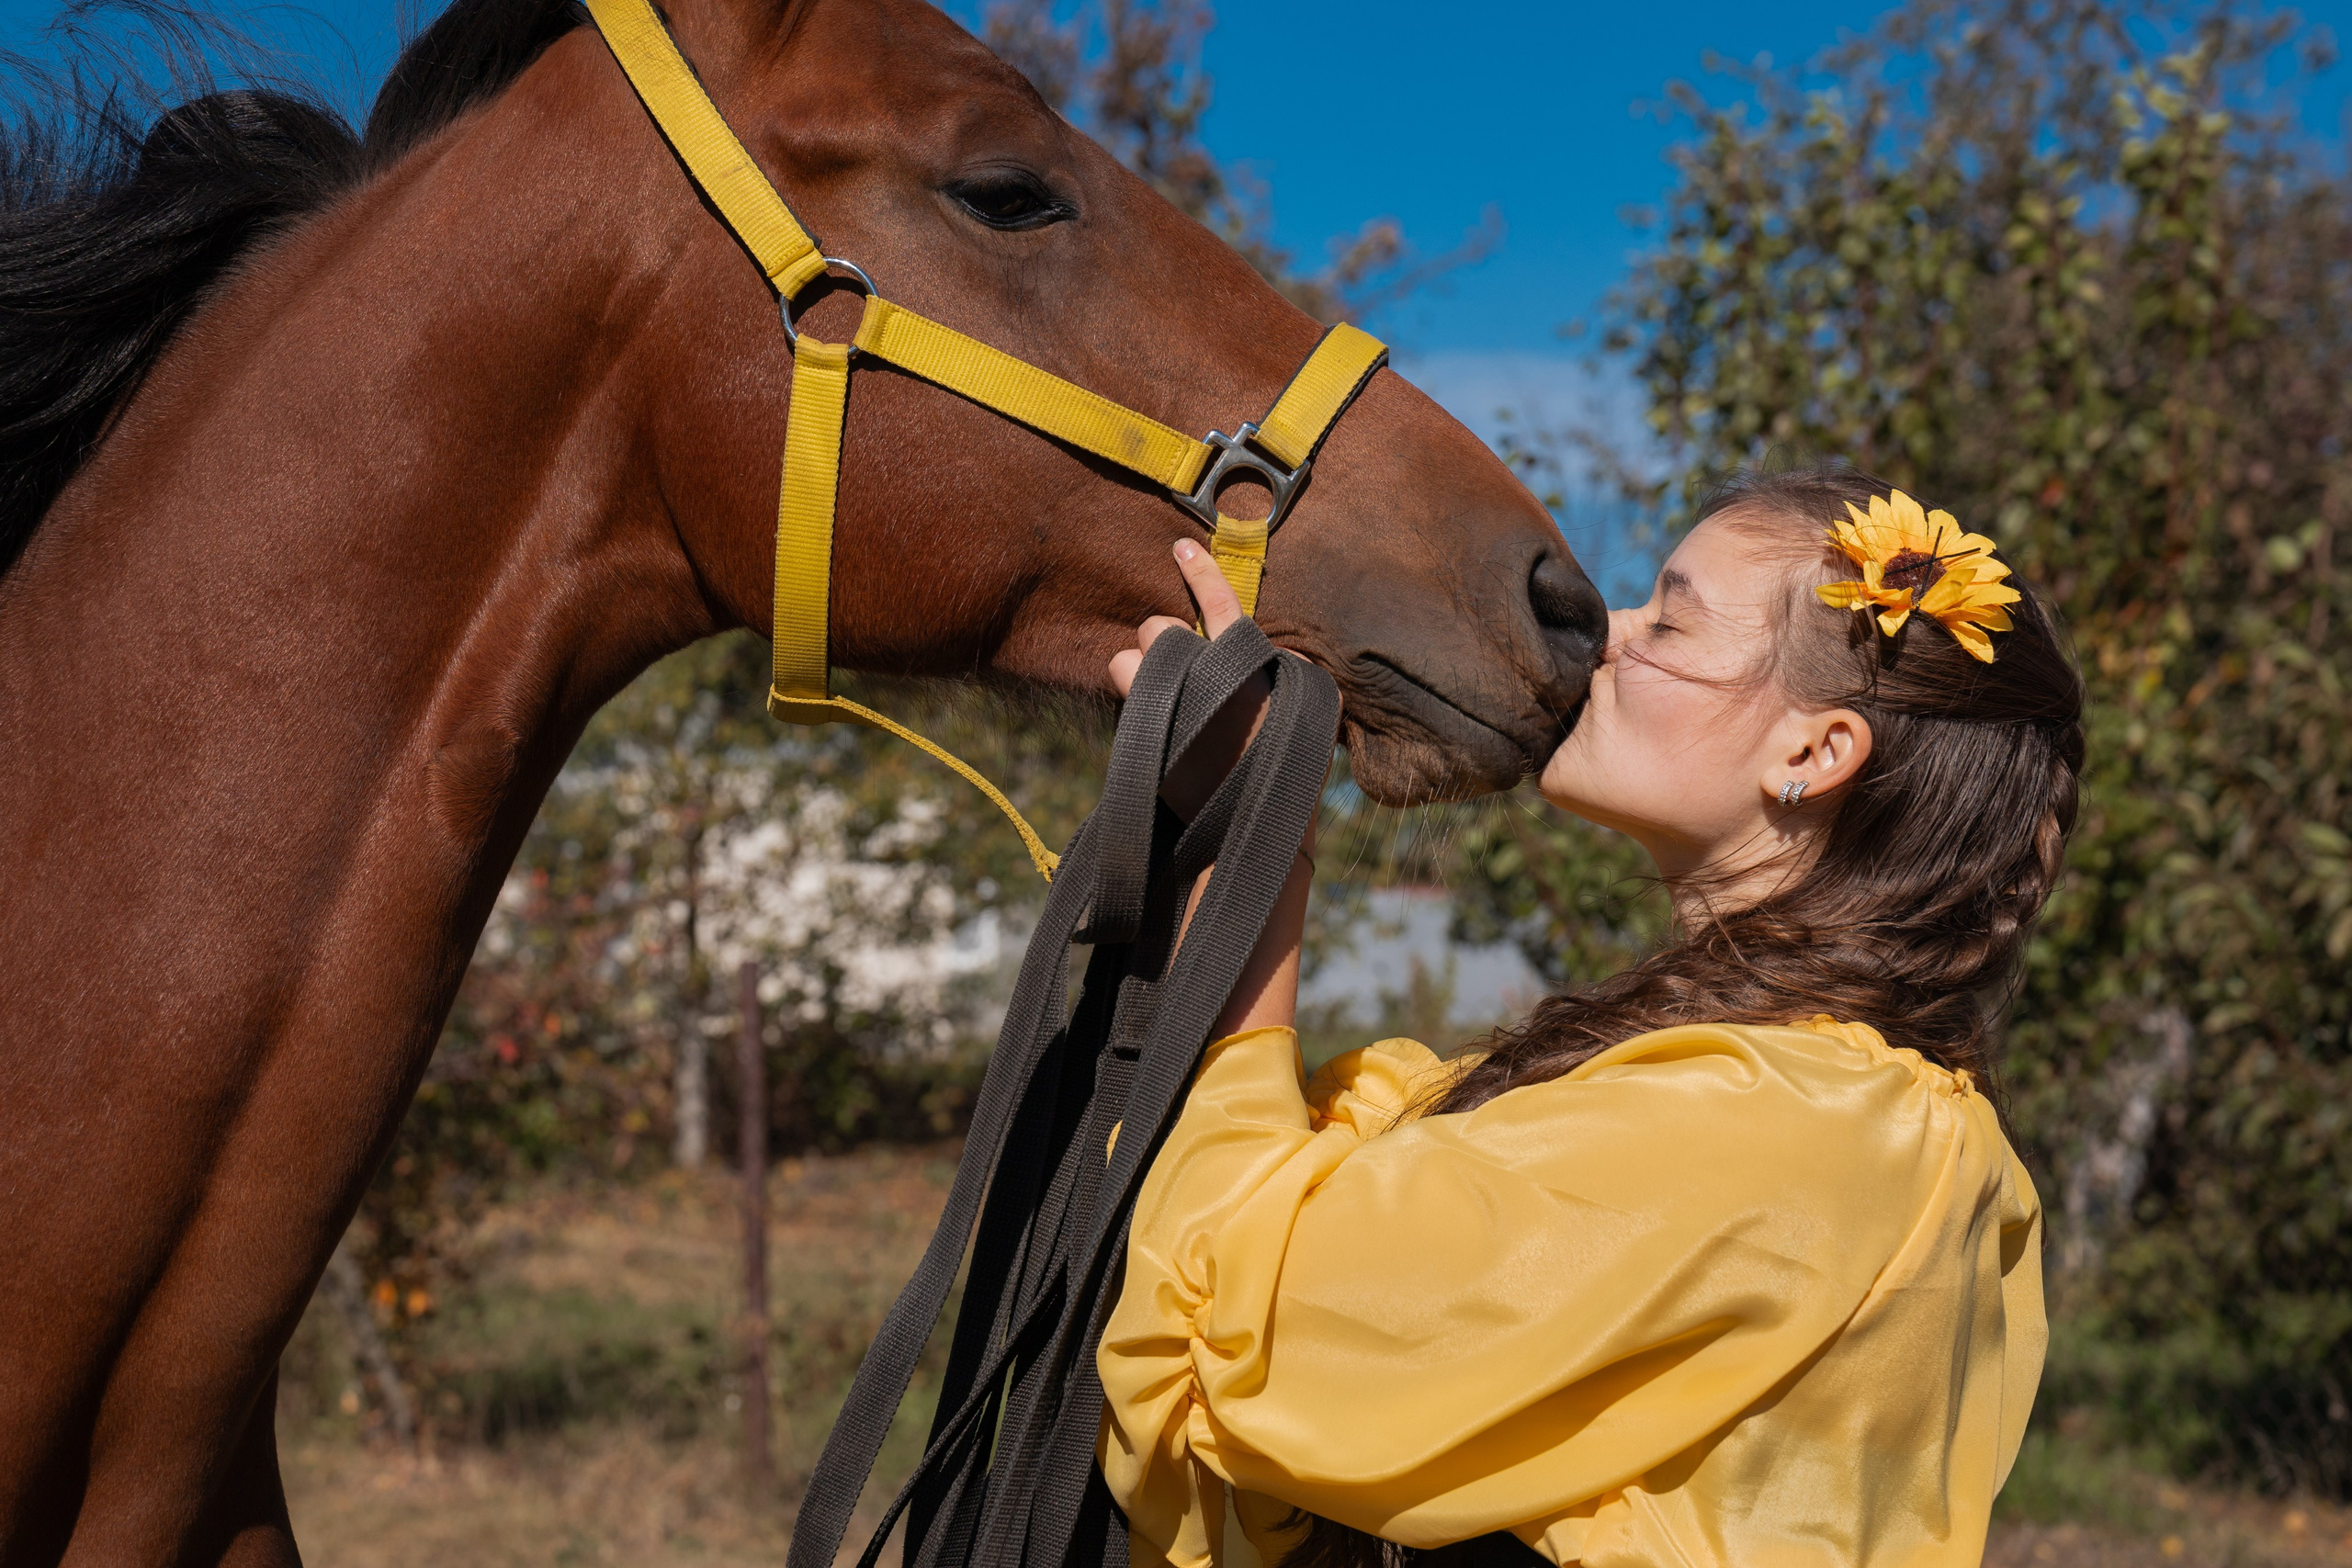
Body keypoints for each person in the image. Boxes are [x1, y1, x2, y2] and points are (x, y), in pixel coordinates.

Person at [1096, 466, 2085, 1568]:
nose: (1604, 635)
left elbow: (1261, 1332)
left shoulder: (1791, 1126)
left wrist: (1251, 838)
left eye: (1669, 618)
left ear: (1813, 754)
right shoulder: (1816, 1107)